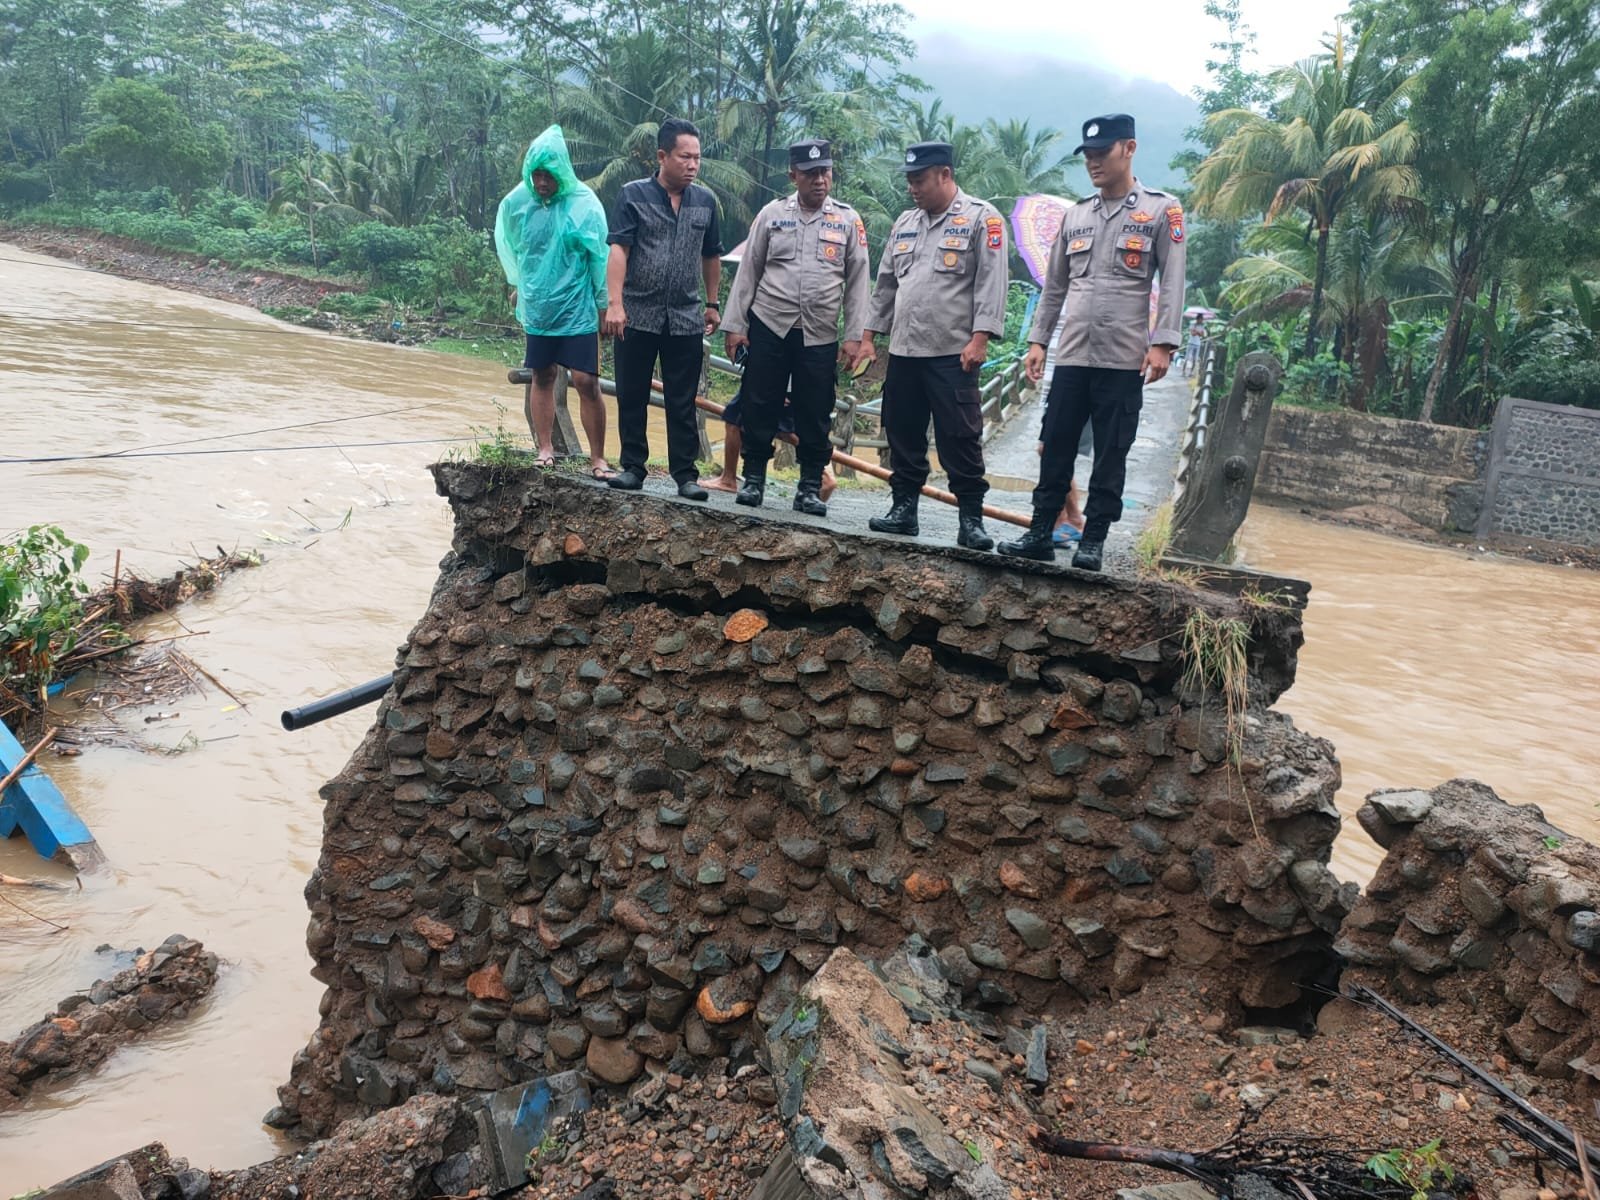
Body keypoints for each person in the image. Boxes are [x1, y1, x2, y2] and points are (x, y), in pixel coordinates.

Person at [999, 113, 1186, 571]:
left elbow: (1174, 280)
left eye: (1103, 153)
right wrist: (1038, 341)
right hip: (1073, 354)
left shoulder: (1161, 211)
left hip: (1123, 358)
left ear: (1130, 149)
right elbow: (1055, 288)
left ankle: (1094, 541)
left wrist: (1163, 343)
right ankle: (1040, 533)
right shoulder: (1075, 215)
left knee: (1111, 452)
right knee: (1055, 445)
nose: (1094, 163)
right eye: (1088, 156)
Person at [852, 141, 1008, 550]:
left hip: (953, 352)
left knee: (960, 437)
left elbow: (992, 284)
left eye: (919, 180)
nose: (913, 189)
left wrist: (981, 339)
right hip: (904, 350)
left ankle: (971, 519)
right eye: (909, 181)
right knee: (903, 432)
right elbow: (885, 285)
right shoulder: (905, 222)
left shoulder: (981, 219)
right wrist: (869, 337)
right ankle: (904, 510)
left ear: (944, 174)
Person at [717, 138, 870, 516]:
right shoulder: (771, 214)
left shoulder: (848, 220)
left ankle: (807, 488)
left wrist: (855, 336)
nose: (820, 180)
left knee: (816, 411)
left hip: (819, 331)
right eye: (811, 174)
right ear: (793, 175)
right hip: (770, 323)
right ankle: (753, 480)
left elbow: (858, 282)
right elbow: (748, 271)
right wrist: (735, 326)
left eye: (825, 172)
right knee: (759, 402)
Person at [602, 117, 723, 499]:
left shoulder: (705, 202)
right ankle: (633, 467)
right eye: (684, 157)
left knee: (682, 398)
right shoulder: (632, 195)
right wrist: (615, 304)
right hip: (637, 311)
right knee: (632, 391)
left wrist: (713, 302)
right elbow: (619, 249)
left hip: (685, 315)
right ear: (662, 156)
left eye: (697, 158)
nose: (692, 165)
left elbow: (711, 254)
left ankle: (685, 475)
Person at [492, 124, 612, 476]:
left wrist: (604, 304)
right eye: (537, 174)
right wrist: (518, 283)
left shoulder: (584, 204)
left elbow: (599, 257)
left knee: (586, 380)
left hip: (576, 308)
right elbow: (510, 246)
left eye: (549, 175)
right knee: (542, 374)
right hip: (540, 307)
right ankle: (545, 448)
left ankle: (598, 457)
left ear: (562, 171)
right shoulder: (517, 203)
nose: (542, 182)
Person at [700, 370, 839, 502]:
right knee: (735, 416)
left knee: (793, 432)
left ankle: (824, 477)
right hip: (772, 374)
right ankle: (728, 477)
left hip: (779, 376)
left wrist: (782, 385)